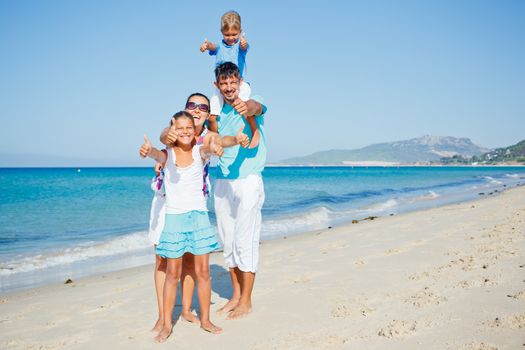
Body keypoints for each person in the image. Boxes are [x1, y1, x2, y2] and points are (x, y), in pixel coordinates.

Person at [149, 93, 249, 334]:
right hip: (167, 203)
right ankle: (163, 319)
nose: (197, 109)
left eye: (202, 107)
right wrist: (164, 138)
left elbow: (218, 142)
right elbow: (164, 137)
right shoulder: (175, 133)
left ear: (206, 114)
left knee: (193, 265)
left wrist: (233, 140)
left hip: (195, 207)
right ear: (184, 110)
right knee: (163, 262)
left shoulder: (203, 139)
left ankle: (187, 312)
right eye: (192, 105)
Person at [140, 111, 228, 342]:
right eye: (180, 128)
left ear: (194, 130)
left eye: (189, 127)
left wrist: (217, 148)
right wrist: (147, 151)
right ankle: (166, 324)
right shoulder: (168, 154)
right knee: (172, 273)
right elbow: (155, 155)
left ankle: (206, 319)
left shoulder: (200, 152)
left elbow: (211, 148)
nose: (186, 131)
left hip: (198, 217)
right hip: (175, 219)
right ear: (173, 129)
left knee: (203, 272)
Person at [212, 62, 267, 320]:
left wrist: (248, 108)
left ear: (239, 81)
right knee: (228, 242)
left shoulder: (251, 102)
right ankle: (235, 295)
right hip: (222, 181)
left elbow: (258, 107)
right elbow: (213, 138)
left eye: (233, 82)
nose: (229, 87)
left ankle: (247, 300)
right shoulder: (216, 112)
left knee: (246, 240)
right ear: (218, 85)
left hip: (248, 181)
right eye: (224, 83)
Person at [200, 11, 259, 147]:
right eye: (227, 35)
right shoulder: (220, 47)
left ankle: (255, 131)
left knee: (244, 106)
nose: (231, 38)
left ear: (240, 32)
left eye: (234, 34)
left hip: (240, 83)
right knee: (213, 114)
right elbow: (213, 47)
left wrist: (243, 43)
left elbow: (245, 47)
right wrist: (207, 45)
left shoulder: (240, 47)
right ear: (221, 32)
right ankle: (215, 139)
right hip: (221, 85)